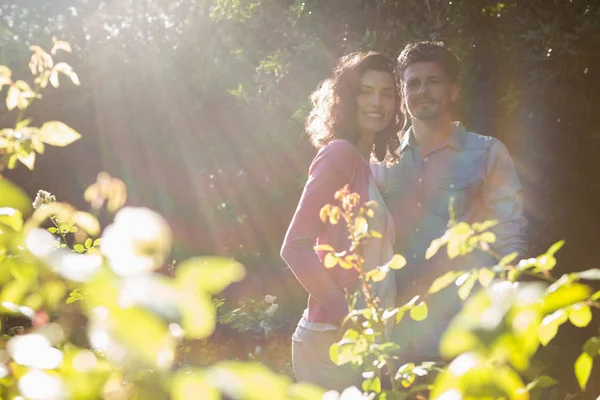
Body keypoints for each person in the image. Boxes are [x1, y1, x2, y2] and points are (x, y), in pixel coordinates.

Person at [371, 41, 528, 362]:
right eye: (413, 83)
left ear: (454, 91)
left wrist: (502, 313)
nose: (422, 91)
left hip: (466, 327)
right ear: (402, 94)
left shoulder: (487, 153)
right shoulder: (380, 161)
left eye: (433, 81)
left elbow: (510, 235)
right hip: (399, 330)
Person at [280, 51, 403, 391]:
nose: (377, 102)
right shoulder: (340, 154)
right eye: (366, 91)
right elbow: (295, 247)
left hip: (359, 342)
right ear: (347, 98)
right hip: (332, 343)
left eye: (387, 93)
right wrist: (350, 320)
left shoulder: (365, 165)